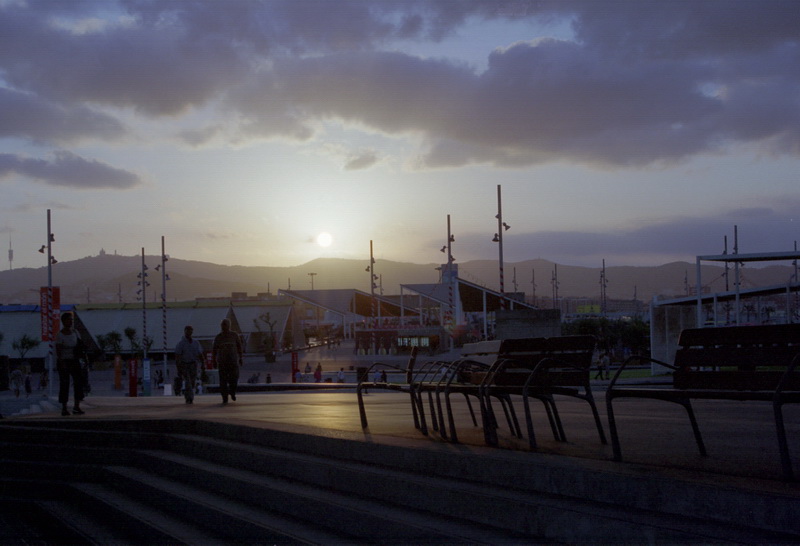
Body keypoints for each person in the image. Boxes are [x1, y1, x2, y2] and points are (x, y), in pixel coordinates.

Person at [55, 312, 86, 416]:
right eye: (68, 319)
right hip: (64, 361)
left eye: (71, 320)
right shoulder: (60, 335)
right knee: (64, 384)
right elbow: (58, 351)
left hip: (75, 360)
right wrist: (62, 362)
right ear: (63, 321)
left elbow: (80, 345)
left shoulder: (75, 332)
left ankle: (76, 406)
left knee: (78, 383)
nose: (70, 321)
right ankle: (64, 407)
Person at [213, 318, 243, 404]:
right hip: (222, 362)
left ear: (229, 325)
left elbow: (239, 346)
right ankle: (224, 397)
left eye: (225, 324)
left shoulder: (234, 335)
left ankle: (232, 391)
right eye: (222, 325)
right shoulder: (218, 337)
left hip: (233, 361)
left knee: (234, 378)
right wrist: (214, 361)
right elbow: (214, 349)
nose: (223, 326)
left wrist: (241, 358)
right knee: (223, 381)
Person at [174, 325, 203, 404]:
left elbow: (200, 354)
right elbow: (177, 356)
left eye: (190, 331)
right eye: (187, 331)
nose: (189, 332)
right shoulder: (181, 343)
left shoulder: (195, 343)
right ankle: (189, 398)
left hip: (193, 364)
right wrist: (179, 367)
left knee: (192, 381)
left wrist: (203, 364)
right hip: (185, 364)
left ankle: (189, 394)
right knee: (188, 381)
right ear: (185, 331)